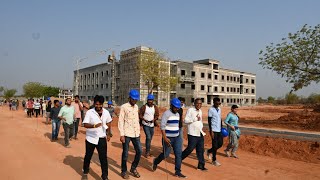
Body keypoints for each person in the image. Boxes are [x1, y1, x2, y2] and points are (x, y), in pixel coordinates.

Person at [152, 98, 186, 178]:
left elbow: (177, 125)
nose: (177, 109)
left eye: (178, 107)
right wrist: (165, 138)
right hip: (168, 138)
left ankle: (178, 171)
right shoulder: (166, 114)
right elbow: (162, 127)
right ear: (171, 106)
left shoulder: (177, 114)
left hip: (177, 137)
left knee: (178, 154)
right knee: (166, 154)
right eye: (175, 107)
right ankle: (156, 161)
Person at [82, 95, 112, 180]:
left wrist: (109, 134)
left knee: (103, 158)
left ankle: (105, 176)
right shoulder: (90, 112)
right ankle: (85, 172)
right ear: (94, 104)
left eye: (100, 104)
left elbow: (109, 122)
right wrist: (94, 125)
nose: (98, 106)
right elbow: (85, 124)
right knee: (88, 156)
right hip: (90, 138)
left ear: (102, 104)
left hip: (102, 138)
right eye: (96, 104)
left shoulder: (106, 112)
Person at [118, 89, 142, 179]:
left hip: (136, 134)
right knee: (125, 154)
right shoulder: (124, 107)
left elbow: (136, 120)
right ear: (129, 98)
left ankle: (133, 168)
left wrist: (138, 132)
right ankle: (124, 171)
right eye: (133, 99)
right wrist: (121, 134)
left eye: (136, 99)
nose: (134, 101)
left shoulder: (136, 107)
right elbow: (120, 121)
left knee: (139, 151)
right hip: (126, 133)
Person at [181, 98, 207, 171]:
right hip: (192, 133)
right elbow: (185, 120)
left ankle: (201, 166)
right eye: (197, 103)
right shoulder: (190, 110)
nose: (199, 105)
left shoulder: (200, 111)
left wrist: (201, 128)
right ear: (194, 103)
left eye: (200, 103)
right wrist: (194, 119)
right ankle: (179, 159)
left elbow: (200, 121)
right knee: (190, 149)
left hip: (199, 133)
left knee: (200, 150)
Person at [206, 97, 223, 166]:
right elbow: (209, 121)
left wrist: (221, 127)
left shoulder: (219, 109)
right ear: (214, 103)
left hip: (219, 129)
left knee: (220, 144)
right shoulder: (211, 109)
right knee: (215, 145)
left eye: (219, 103)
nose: (218, 104)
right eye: (217, 103)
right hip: (214, 130)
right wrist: (211, 131)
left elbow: (220, 119)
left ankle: (209, 151)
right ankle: (214, 160)